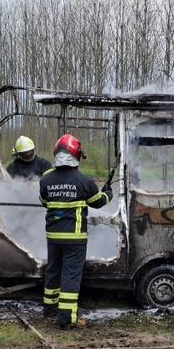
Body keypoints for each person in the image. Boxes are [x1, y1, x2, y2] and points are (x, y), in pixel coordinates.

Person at [39, 134, 112, 328]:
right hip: (74, 237)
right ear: (75, 155)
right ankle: (66, 318)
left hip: (53, 236)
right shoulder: (84, 180)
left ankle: (49, 309)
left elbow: (44, 201)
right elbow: (98, 202)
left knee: (53, 271)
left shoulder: (46, 179)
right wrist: (108, 193)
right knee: (70, 276)